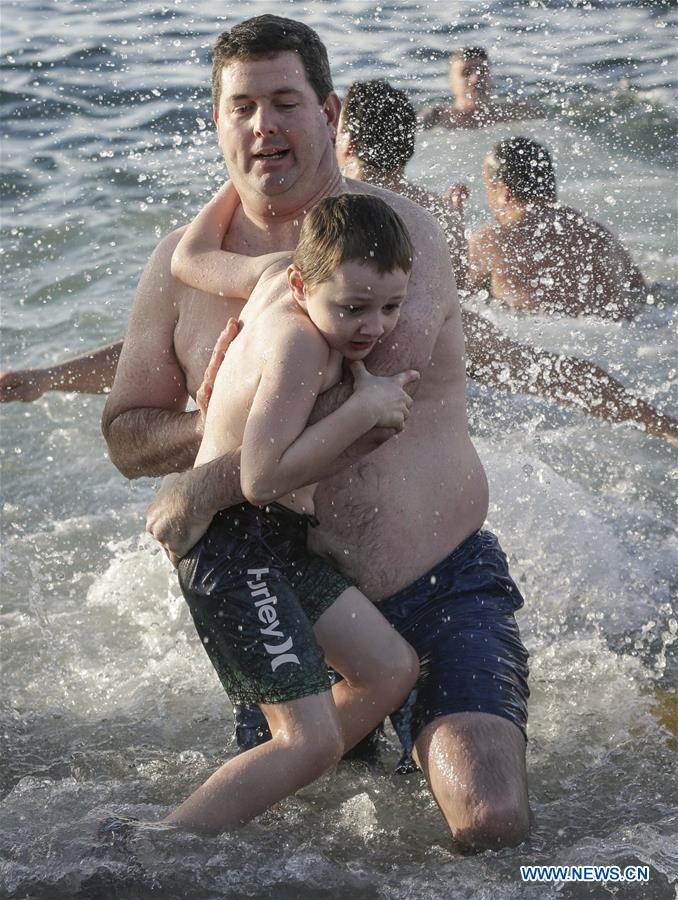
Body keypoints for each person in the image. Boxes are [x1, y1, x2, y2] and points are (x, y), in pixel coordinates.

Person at [103, 14, 530, 849]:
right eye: (243, 106)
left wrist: (207, 483)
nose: (264, 125)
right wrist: (220, 414)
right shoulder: (183, 264)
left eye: (286, 102)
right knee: (298, 851)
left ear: (331, 115)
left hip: (434, 584)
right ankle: (137, 855)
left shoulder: (390, 242)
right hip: (293, 599)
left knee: (491, 818)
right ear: (218, 122)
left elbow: (372, 403)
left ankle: (597, 884)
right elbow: (125, 437)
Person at [160, 193, 420, 833]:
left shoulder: (277, 272)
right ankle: (156, 843)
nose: (373, 328)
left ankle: (278, 785)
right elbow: (258, 476)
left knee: (390, 669)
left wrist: (232, 191)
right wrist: (364, 409)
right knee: (308, 740)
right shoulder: (301, 345)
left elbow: (190, 259)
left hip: (278, 542)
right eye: (353, 308)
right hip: (233, 542)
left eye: (390, 307)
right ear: (305, 285)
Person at [337, 80, 677, 443]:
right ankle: (663, 425)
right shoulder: (434, 209)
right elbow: (451, 292)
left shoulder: (336, 199)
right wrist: (453, 224)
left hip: (367, 351)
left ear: (348, 142)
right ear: (407, 147)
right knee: (545, 370)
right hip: (442, 341)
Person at [464, 137, 647, 320]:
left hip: (544, 337)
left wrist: (454, 236)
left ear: (504, 192)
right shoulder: (600, 234)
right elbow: (641, 293)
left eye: (487, 188)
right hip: (626, 335)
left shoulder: (490, 241)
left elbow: (455, 303)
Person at [420, 47, 541, 130]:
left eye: (482, 71)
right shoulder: (436, 119)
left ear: (491, 77)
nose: (475, 79)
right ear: (451, 82)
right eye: (466, 73)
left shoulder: (516, 112)